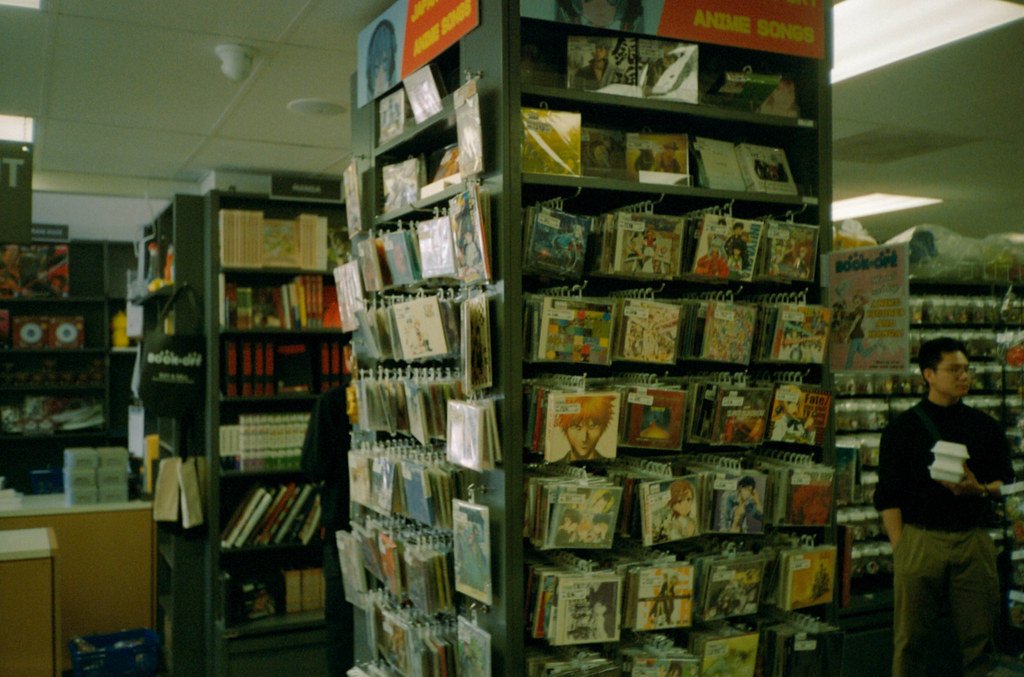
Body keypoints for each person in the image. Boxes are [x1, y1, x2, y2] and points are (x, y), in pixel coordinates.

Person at [875, 337, 1014, 677]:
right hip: (921, 540)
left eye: (966, 369)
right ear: (928, 375)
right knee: (910, 643)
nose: (963, 376)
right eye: (954, 370)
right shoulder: (902, 429)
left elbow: (1004, 483)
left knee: (980, 641)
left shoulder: (986, 427)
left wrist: (978, 488)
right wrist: (901, 547)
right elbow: (887, 495)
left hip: (973, 541)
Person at [300, 384, 354, 675]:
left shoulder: (332, 402)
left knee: (342, 627)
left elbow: (313, 466)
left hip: (342, 528)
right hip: (392, 530)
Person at [552, 394, 615, 461]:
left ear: (602, 428)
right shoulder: (553, 467)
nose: (584, 438)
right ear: (565, 427)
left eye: (593, 426)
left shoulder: (610, 466)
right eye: (576, 426)